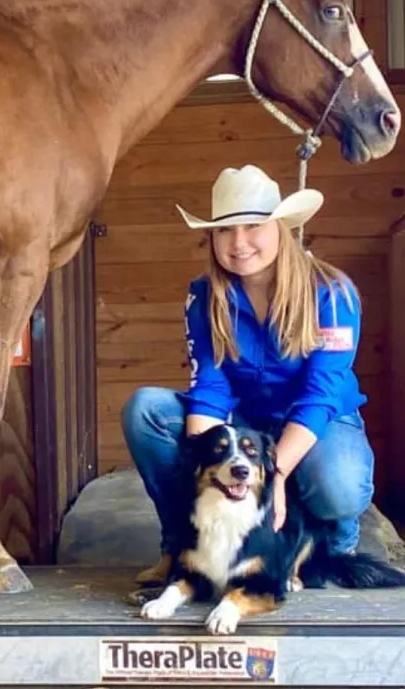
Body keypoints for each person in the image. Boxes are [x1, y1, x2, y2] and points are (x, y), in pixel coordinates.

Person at [122, 164, 375, 586]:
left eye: (253, 226)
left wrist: (274, 476)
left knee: (339, 485)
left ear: (281, 227)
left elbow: (321, 392)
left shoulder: (332, 292)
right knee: (145, 410)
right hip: (244, 423)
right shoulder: (204, 295)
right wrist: (204, 469)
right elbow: (210, 385)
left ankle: (337, 542)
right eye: (224, 230)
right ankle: (182, 548)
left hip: (318, 419)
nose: (238, 243)